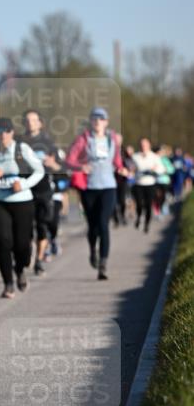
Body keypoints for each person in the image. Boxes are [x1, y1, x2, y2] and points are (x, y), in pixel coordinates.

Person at [0, 118, 44, 298]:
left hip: (22, 201)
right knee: (3, 242)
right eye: (0, 131)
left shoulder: (21, 149)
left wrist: (23, 185)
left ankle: (21, 269)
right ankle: (8, 283)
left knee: (22, 244)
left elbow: (40, 171)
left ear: (12, 133)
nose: (4, 135)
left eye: (7, 131)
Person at [65, 108, 126, 280]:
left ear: (106, 122)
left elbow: (116, 161)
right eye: (95, 118)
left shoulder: (112, 139)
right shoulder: (83, 139)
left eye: (101, 118)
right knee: (93, 226)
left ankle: (103, 264)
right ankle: (93, 250)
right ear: (91, 121)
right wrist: (80, 167)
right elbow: (69, 160)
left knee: (103, 224)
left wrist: (122, 169)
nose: (98, 121)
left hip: (108, 186)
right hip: (89, 187)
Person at [21, 110, 59, 276]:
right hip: (25, 189)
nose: (31, 123)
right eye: (28, 120)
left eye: (34, 120)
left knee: (43, 226)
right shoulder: (19, 142)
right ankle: (29, 254)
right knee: (27, 227)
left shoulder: (49, 143)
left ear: (40, 123)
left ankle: (39, 260)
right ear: (24, 123)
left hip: (43, 189)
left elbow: (61, 167)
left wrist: (53, 164)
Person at [131, 138, 163, 232]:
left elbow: (161, 169)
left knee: (149, 205)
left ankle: (147, 224)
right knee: (139, 204)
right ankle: (139, 217)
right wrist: (132, 171)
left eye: (145, 144)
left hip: (150, 184)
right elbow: (131, 169)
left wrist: (154, 170)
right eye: (141, 144)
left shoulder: (154, 157)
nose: (143, 146)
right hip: (138, 184)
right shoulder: (135, 156)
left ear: (149, 145)